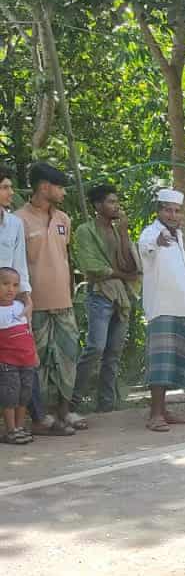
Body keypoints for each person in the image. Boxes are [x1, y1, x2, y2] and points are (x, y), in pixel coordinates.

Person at [16, 162, 85, 436]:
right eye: (60, 186)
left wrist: (70, 295)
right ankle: (40, 417)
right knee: (37, 362)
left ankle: (63, 412)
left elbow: (66, 260)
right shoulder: (18, 220)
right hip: (34, 305)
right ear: (44, 187)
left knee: (68, 356)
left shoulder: (64, 219)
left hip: (64, 303)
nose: (64, 192)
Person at [71, 182, 141, 414]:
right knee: (96, 347)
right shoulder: (85, 231)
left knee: (113, 352)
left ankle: (106, 403)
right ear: (98, 205)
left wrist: (123, 233)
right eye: (110, 201)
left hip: (121, 297)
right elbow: (91, 266)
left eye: (116, 201)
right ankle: (73, 401)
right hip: (100, 294)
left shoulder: (117, 230)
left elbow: (129, 263)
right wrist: (122, 274)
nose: (116, 206)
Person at [137, 187, 185, 433]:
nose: (172, 215)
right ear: (159, 210)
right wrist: (158, 241)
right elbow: (147, 246)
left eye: (176, 211)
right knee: (160, 361)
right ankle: (155, 415)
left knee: (176, 361)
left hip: (184, 305)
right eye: (167, 210)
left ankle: (164, 411)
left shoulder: (179, 235)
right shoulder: (151, 233)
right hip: (162, 306)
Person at [0, 264, 38, 445]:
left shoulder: (21, 306)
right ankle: (10, 430)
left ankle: (20, 427)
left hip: (27, 361)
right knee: (10, 396)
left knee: (24, 395)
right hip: (7, 363)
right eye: (5, 284)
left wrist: (34, 354)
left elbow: (28, 333)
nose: (10, 289)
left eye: (15, 285)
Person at [0, 165, 32, 317]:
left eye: (11, 187)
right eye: (5, 187)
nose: (11, 192)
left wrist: (26, 298)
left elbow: (20, 264)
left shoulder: (15, 223)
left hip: (8, 304)